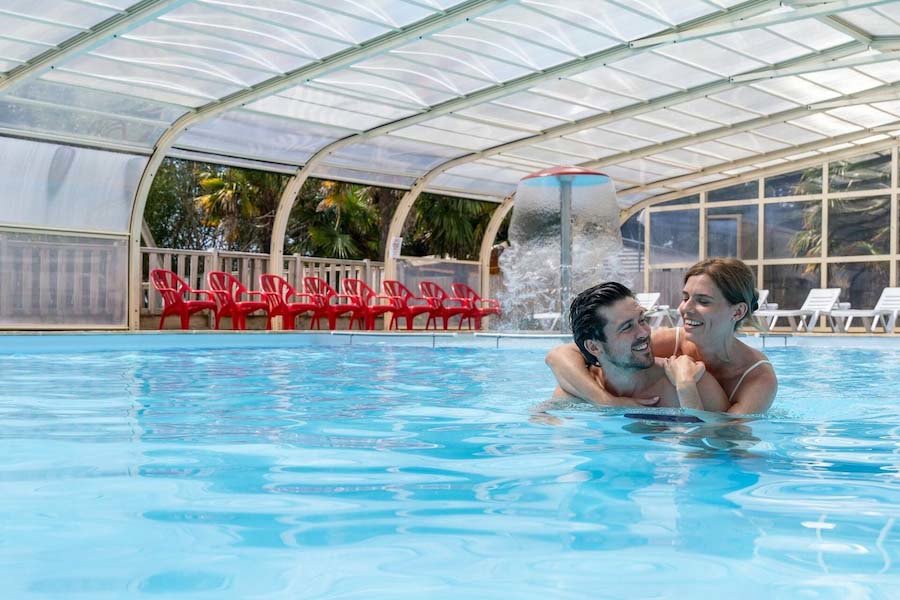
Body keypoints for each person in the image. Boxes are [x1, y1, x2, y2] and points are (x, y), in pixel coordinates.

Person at [546, 258, 777, 415]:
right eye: (685, 297)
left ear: (737, 312)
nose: (685, 308)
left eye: (703, 301)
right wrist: (607, 402)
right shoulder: (672, 342)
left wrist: (686, 386)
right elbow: (559, 355)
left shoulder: (758, 379)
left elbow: (725, 443)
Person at [548, 281, 730, 413]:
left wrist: (686, 389)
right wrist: (607, 402)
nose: (644, 332)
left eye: (642, 320)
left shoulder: (695, 384)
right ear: (594, 348)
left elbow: (725, 449)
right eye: (627, 327)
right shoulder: (577, 393)